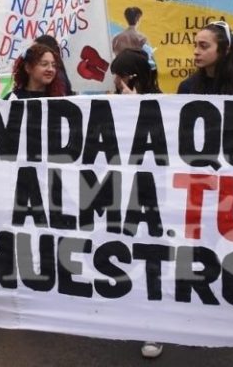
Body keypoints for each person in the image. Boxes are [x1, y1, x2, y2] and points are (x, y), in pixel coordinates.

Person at [108, 47, 163, 358]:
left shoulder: (166, 103)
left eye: (119, 74)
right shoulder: (112, 99)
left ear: (131, 77)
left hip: (154, 198)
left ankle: (152, 327)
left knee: (151, 259)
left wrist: (136, 109)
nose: (114, 80)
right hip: (122, 193)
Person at [178, 21, 233, 96]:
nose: (196, 52)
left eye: (203, 46)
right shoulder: (187, 87)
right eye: (195, 46)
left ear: (225, 50)